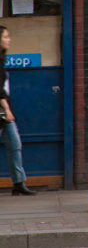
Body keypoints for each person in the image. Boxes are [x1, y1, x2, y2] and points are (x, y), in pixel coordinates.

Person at [0, 26, 35, 196]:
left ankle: (19, 183)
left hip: (5, 110)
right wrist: (6, 110)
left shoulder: (2, 60)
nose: (9, 40)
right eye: (6, 37)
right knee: (14, 144)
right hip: (2, 111)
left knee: (15, 145)